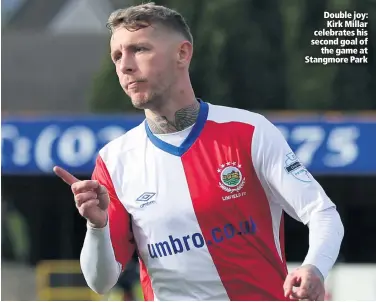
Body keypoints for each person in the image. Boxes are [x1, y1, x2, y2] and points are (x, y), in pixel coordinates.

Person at [54, 2, 344, 301]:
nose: (125, 65)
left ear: (182, 54)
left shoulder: (249, 131)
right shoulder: (115, 160)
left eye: (139, 49)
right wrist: (97, 226)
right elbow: (100, 282)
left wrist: (314, 268)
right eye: (117, 55)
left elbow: (322, 213)